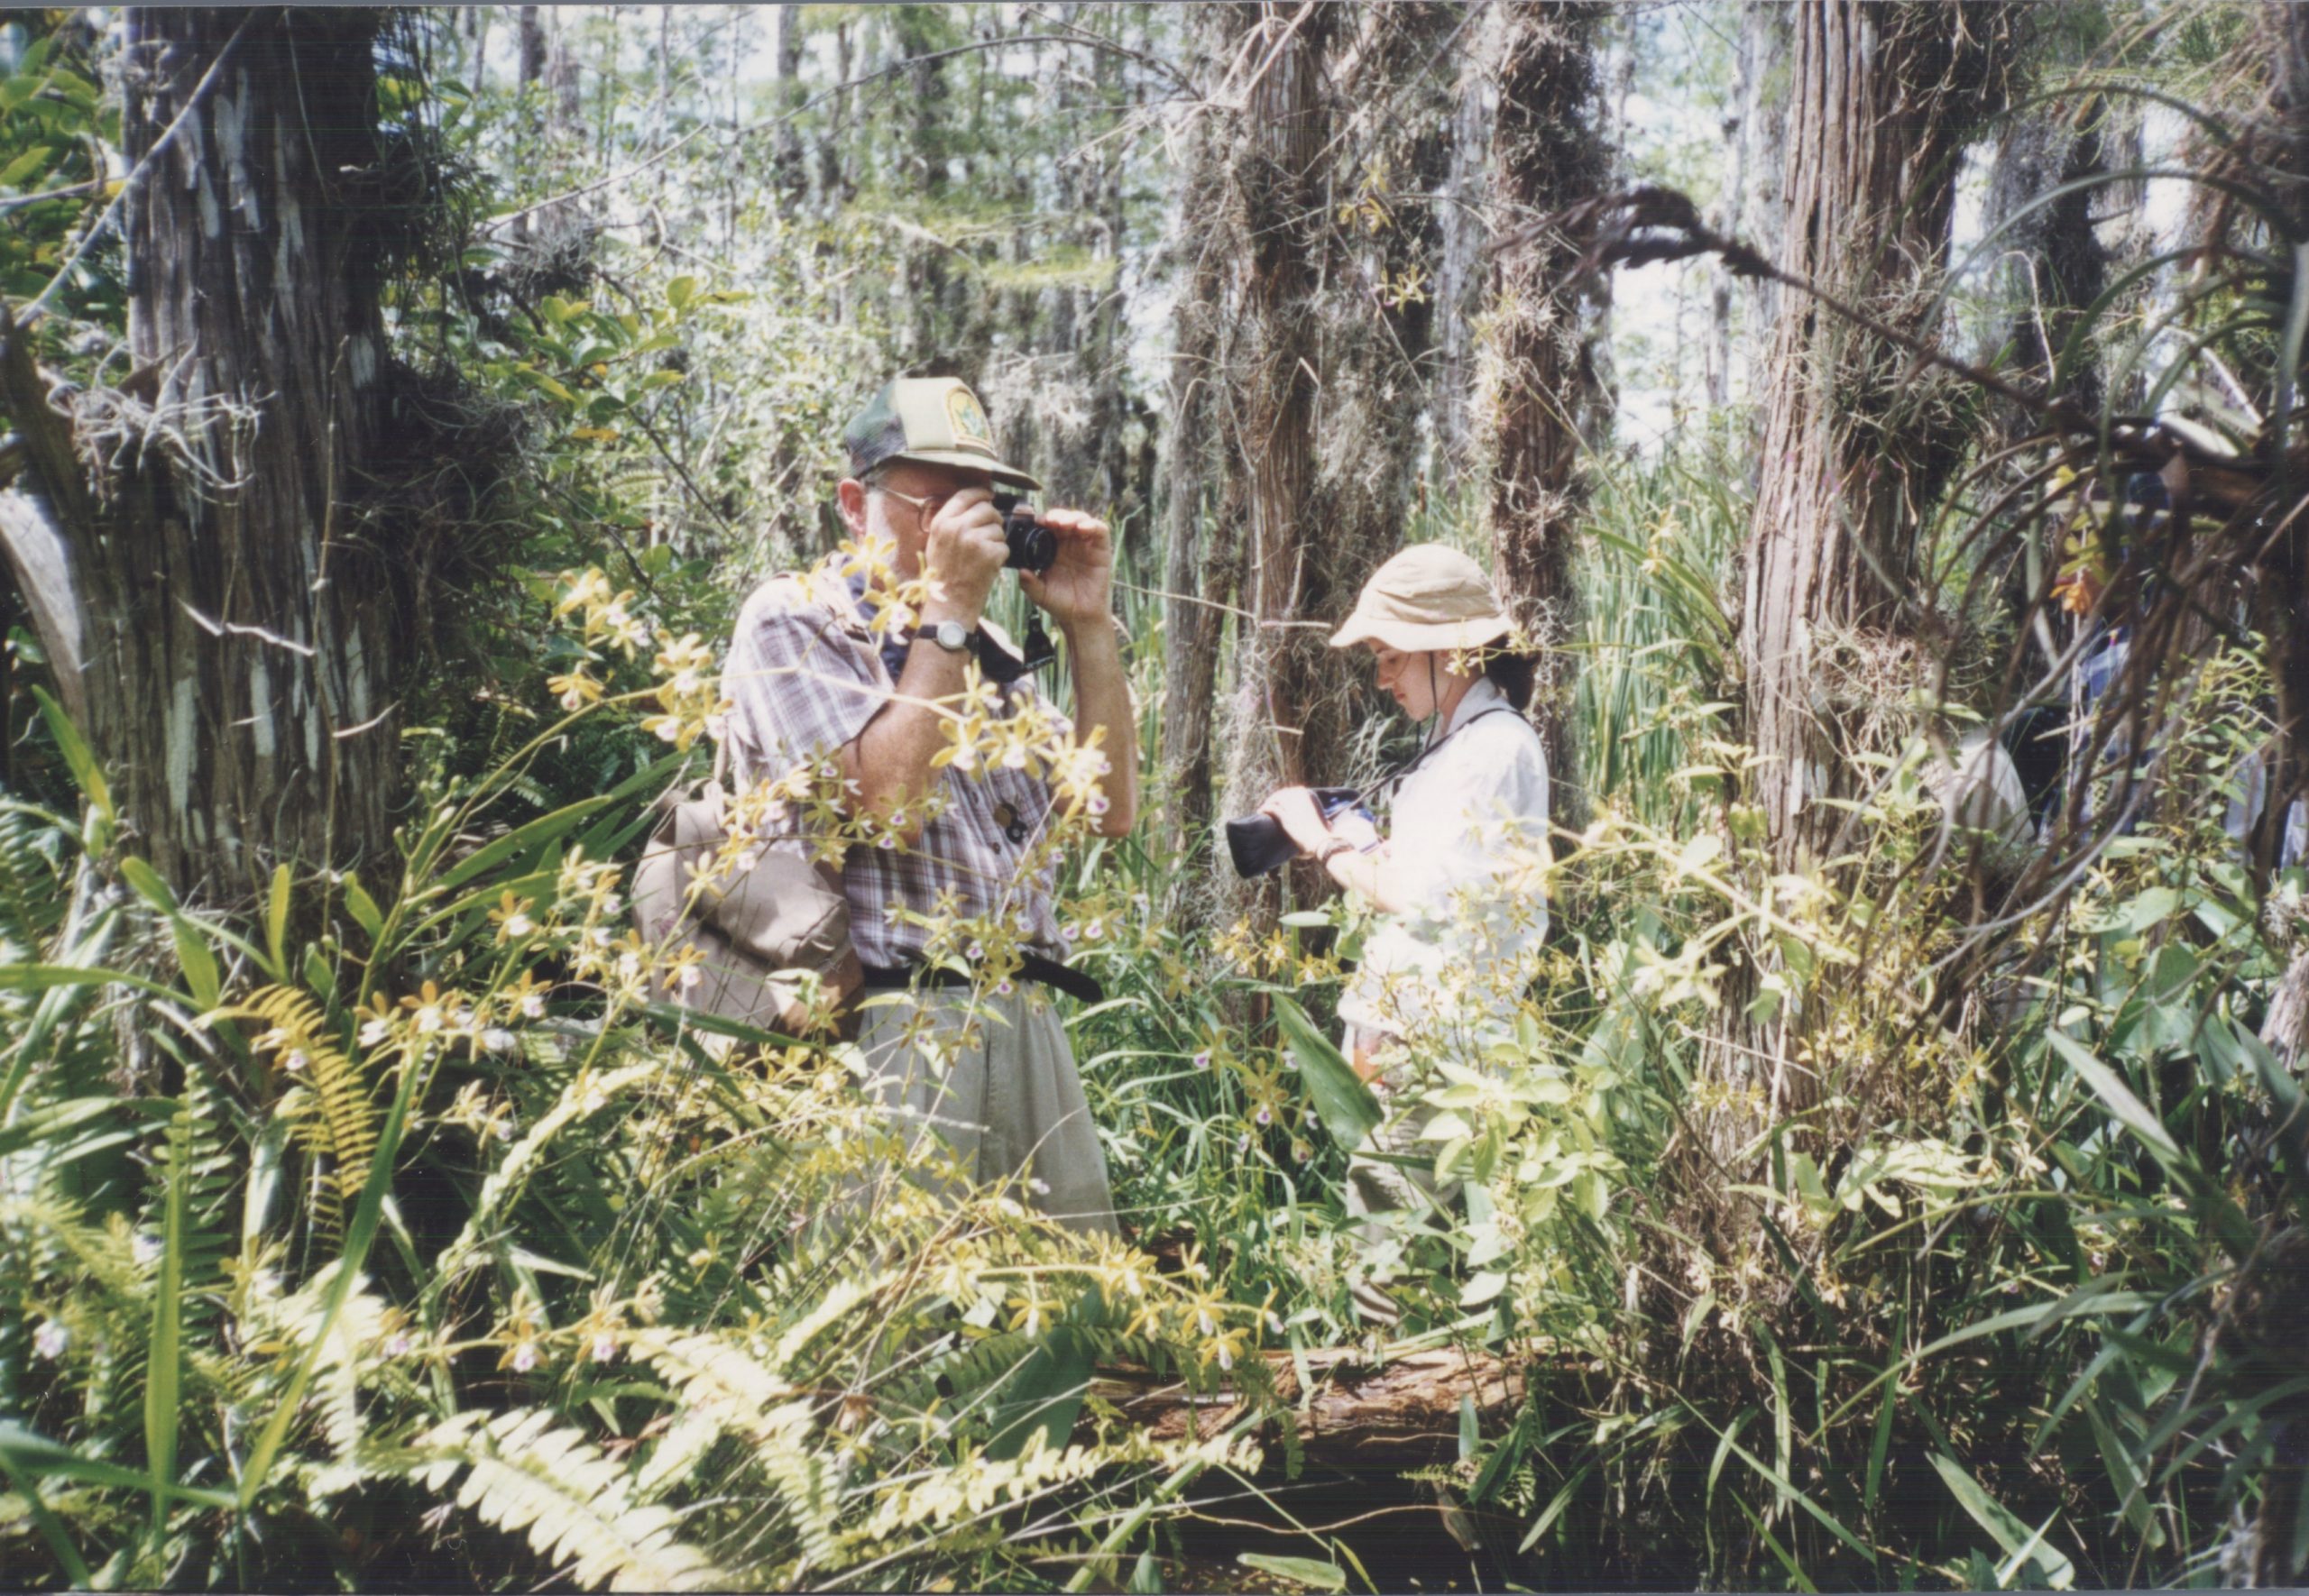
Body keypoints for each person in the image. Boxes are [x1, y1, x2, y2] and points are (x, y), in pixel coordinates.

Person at [717, 376, 1137, 1235]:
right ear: (852, 503)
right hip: (886, 1023)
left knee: (1059, 1325)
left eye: (982, 508)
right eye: (938, 505)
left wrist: (1089, 629)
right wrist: (946, 614)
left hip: (1022, 1013)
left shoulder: (986, 651)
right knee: (889, 1343)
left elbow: (1108, 810)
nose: (967, 533)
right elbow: (887, 807)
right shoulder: (798, 620)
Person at [1256, 544, 1551, 1322]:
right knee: (1398, 1238)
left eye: (1390, 658)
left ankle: (1394, 1400)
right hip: (1416, 1035)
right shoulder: (1459, 742)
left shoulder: (1492, 750)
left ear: (1449, 649)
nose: (1382, 679)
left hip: (1444, 1044)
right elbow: (1442, 887)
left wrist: (1323, 841)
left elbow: (1410, 893)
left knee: (1382, 1250)